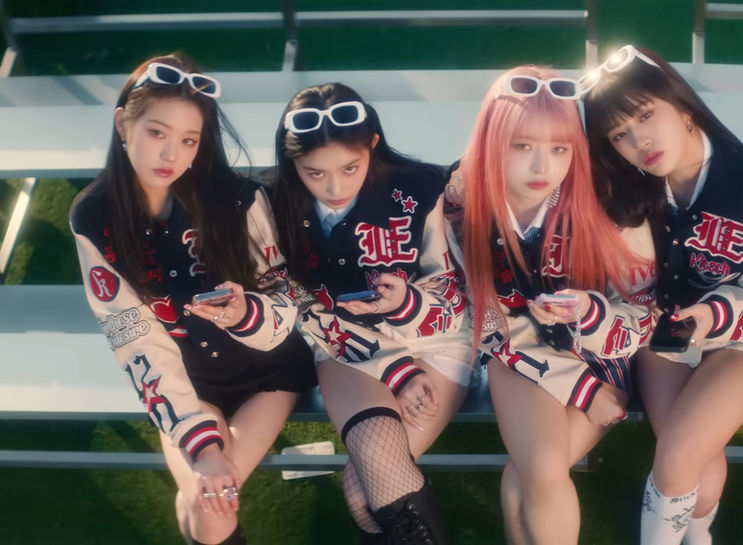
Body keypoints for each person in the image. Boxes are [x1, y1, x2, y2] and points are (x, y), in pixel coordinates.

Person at [70, 53, 316, 544]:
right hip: (187, 382)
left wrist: (246, 313)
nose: (171, 155)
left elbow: (290, 294)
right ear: (122, 125)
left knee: (207, 508)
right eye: (156, 133)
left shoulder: (237, 198)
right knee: (211, 509)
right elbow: (132, 336)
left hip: (268, 373)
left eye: (189, 140)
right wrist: (201, 445)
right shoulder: (93, 217)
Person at [580, 44, 743, 545]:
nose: (639, 141)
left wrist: (714, 315)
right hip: (663, 337)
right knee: (702, 482)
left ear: (682, 105)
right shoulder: (624, 190)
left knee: (679, 461)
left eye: (646, 115)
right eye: (619, 134)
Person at [448, 65, 656, 544]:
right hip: (515, 355)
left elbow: (645, 314)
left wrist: (590, 312)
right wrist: (578, 389)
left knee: (523, 479)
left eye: (560, 148)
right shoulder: (460, 205)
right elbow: (479, 318)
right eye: (522, 146)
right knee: (540, 468)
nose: (542, 167)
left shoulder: (611, 204)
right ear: (492, 141)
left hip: (601, 354)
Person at [268, 82, 471, 544]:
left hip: (435, 340)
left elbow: (452, 292)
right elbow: (295, 300)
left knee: (363, 494)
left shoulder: (418, 189)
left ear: (373, 144)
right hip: (344, 344)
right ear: (292, 163)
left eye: (350, 167)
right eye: (314, 172)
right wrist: (396, 369)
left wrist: (406, 303)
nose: (335, 188)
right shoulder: (273, 206)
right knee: (369, 493)